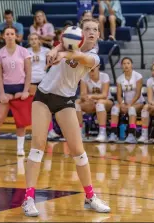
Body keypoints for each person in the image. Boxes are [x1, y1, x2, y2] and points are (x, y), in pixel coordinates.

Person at [22, 18, 110, 216]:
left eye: (95, 29)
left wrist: (59, 52)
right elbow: (63, 45)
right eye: (87, 28)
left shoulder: (94, 57)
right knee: (38, 145)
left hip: (65, 100)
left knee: (78, 151)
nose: (91, 32)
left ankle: (90, 197)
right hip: (43, 96)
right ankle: (28, 199)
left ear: (98, 34)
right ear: (80, 31)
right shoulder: (68, 41)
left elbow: (79, 57)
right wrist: (55, 49)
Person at [0, 27, 31, 156]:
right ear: (3, 37)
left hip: (20, 88)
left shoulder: (23, 51)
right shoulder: (0, 53)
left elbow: (28, 73)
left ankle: (20, 148)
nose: (10, 36)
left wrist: (26, 91)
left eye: (12, 34)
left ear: (16, 36)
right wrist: (2, 93)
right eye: (7, 34)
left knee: (20, 122)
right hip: (6, 88)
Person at [107, 57, 145, 143]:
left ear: (132, 65)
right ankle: (113, 134)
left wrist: (130, 105)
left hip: (138, 102)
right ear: (121, 66)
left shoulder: (138, 76)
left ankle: (131, 135)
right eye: (124, 64)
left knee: (131, 109)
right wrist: (122, 104)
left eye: (128, 63)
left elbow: (138, 94)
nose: (126, 65)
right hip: (126, 103)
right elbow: (119, 95)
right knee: (114, 108)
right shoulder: (120, 79)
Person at [75, 65, 113, 142]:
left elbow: (104, 95)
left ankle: (102, 133)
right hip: (91, 102)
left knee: (100, 103)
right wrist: (85, 97)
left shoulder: (104, 76)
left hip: (106, 101)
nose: (90, 69)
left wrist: (91, 96)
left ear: (98, 66)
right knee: (76, 103)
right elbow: (83, 95)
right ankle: (79, 131)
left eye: (92, 67)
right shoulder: (84, 77)